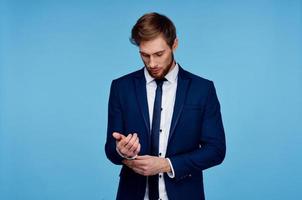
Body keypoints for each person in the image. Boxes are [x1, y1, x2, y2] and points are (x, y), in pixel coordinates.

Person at [105, 12, 226, 200]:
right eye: (144, 55)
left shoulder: (202, 89)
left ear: (174, 44)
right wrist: (122, 151)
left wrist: (166, 164)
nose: (152, 63)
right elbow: (110, 150)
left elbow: (216, 150)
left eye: (159, 54)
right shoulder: (121, 87)